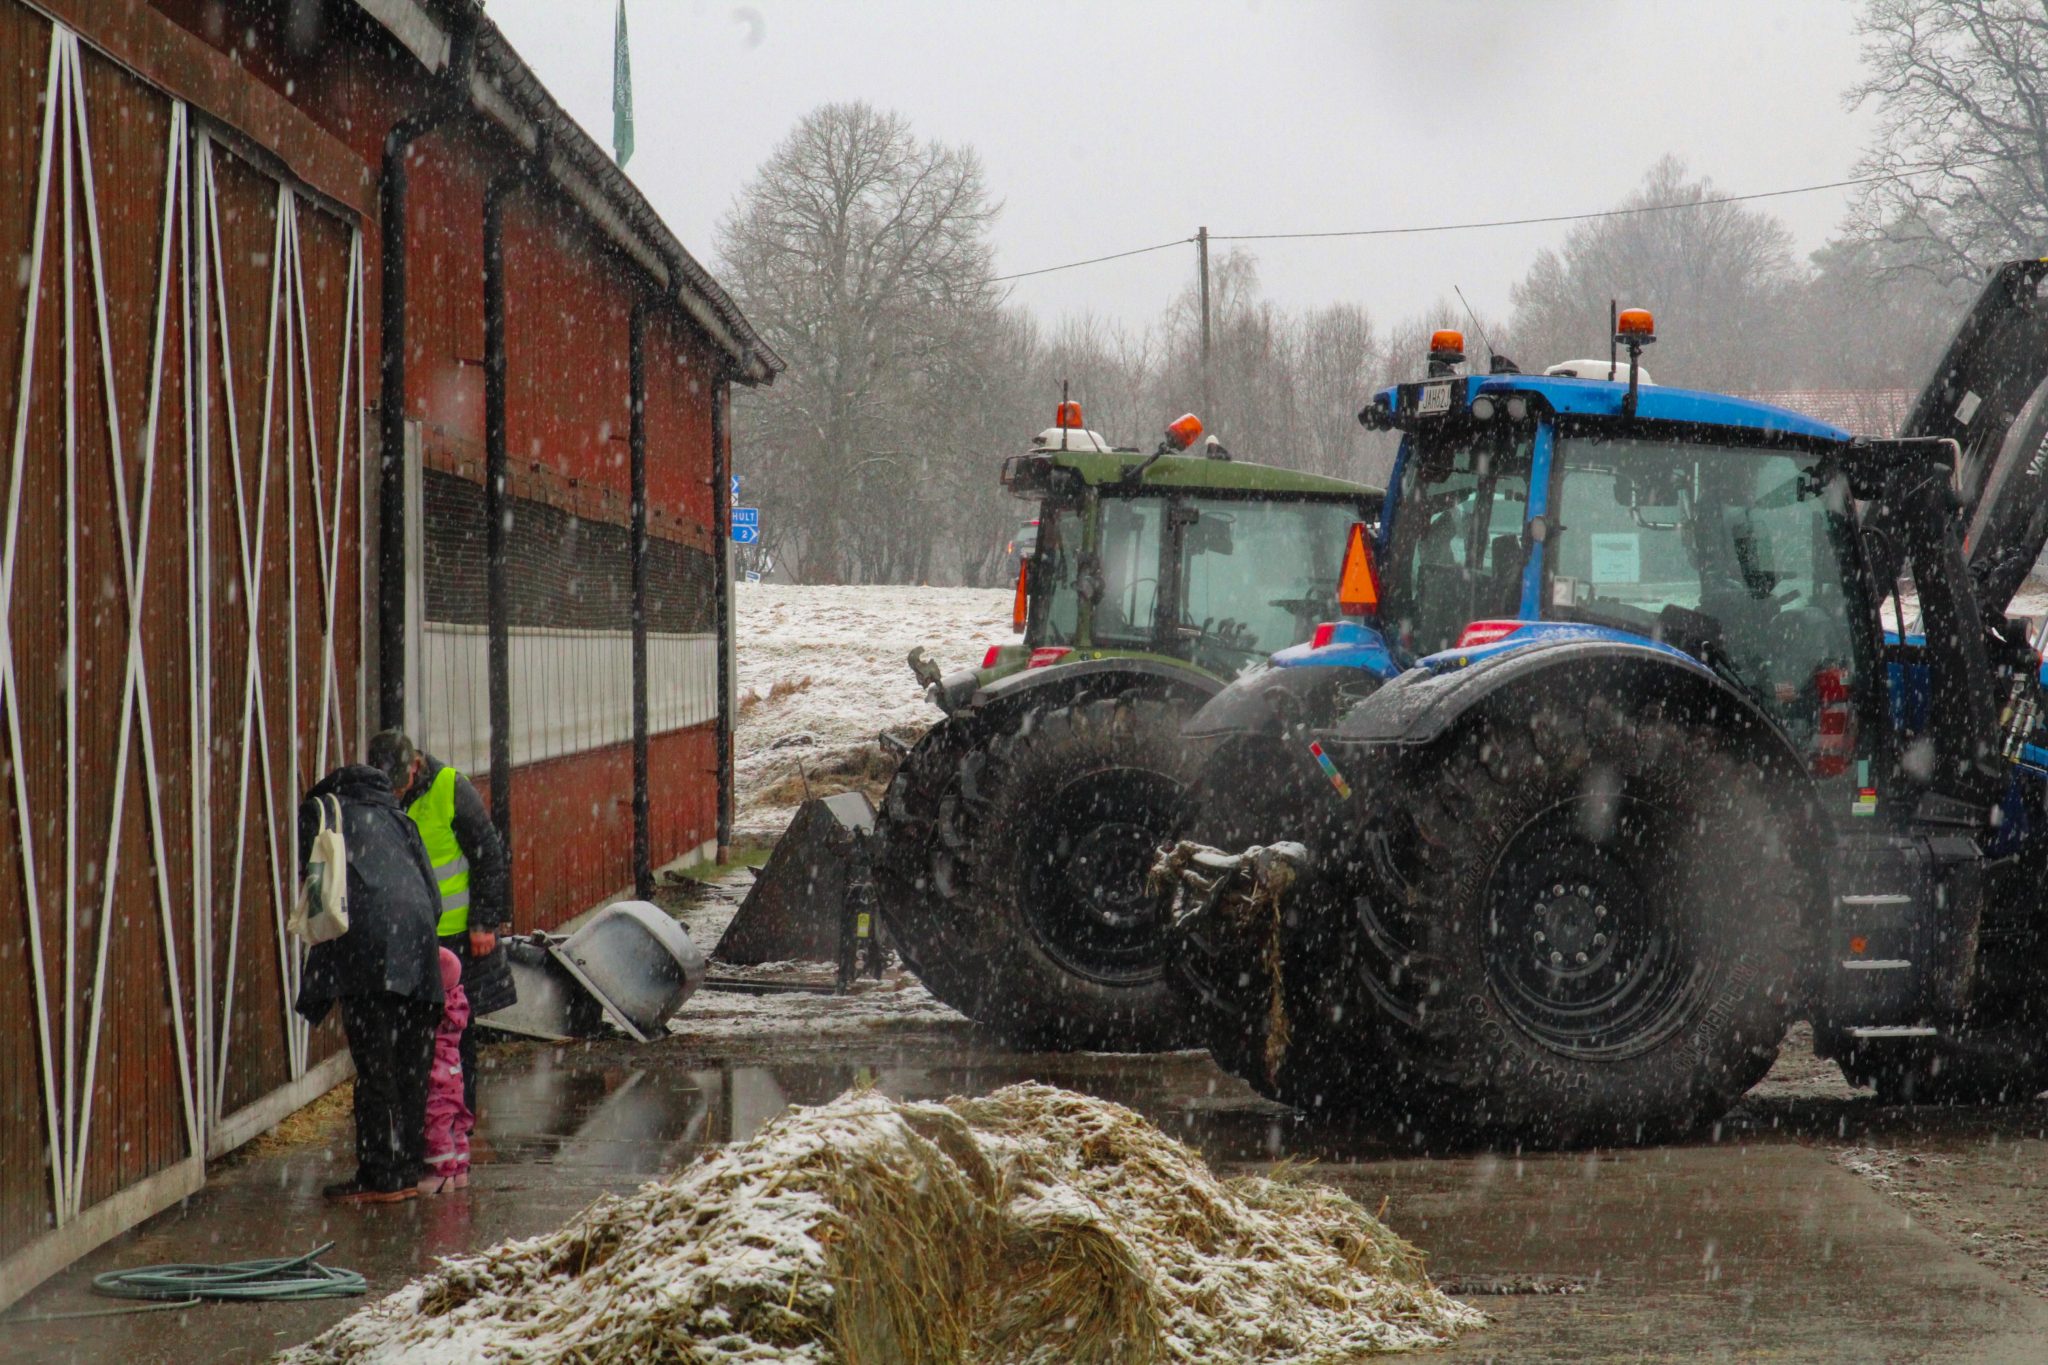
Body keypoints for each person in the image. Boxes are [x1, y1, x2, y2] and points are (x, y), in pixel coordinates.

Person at [293, 764, 444, 1203]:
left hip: (366, 950)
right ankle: (409, 1169)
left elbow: (320, 890)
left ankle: (380, 1175)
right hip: (418, 945)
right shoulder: (401, 819)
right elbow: (434, 898)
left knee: (376, 1066)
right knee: (413, 1065)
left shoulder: (322, 811)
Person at [367, 730, 514, 1117]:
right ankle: (425, 1121)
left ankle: (458, 1120)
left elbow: (488, 856)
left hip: (453, 934)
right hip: (407, 935)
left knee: (455, 1031)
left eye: (403, 784)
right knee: (415, 1033)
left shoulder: (450, 787)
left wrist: (483, 921)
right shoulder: (379, 797)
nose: (399, 793)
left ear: (415, 764)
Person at [420, 947, 474, 1195]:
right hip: (454, 1071)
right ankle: (460, 1168)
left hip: (437, 1073)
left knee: (436, 1122)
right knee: (455, 1121)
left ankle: (441, 1172)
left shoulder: (437, 1008)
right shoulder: (457, 1002)